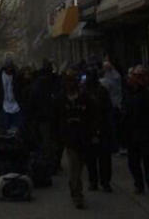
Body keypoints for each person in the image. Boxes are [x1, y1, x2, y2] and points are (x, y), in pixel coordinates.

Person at [54, 70, 97, 209]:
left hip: (83, 137)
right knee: (74, 167)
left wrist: (94, 133)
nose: (70, 84)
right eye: (68, 81)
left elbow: (92, 116)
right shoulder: (60, 99)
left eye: (72, 81)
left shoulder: (85, 98)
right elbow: (56, 118)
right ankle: (77, 195)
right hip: (70, 139)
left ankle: (74, 187)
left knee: (80, 166)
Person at [123, 66, 149, 197]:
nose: (138, 79)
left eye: (141, 77)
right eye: (136, 77)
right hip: (131, 132)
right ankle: (139, 184)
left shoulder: (148, 94)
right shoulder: (128, 93)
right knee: (133, 161)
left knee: (147, 161)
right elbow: (125, 113)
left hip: (144, 132)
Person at [83, 69, 115, 193]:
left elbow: (108, 111)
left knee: (102, 158)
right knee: (94, 158)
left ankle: (102, 181)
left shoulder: (100, 92)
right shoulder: (86, 92)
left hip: (101, 128)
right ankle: (97, 181)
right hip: (92, 129)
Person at [0, 59, 25, 132]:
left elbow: (21, 89)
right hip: (3, 106)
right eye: (8, 68)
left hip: (16, 106)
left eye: (11, 68)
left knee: (16, 129)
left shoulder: (16, 77)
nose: (9, 70)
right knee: (4, 129)